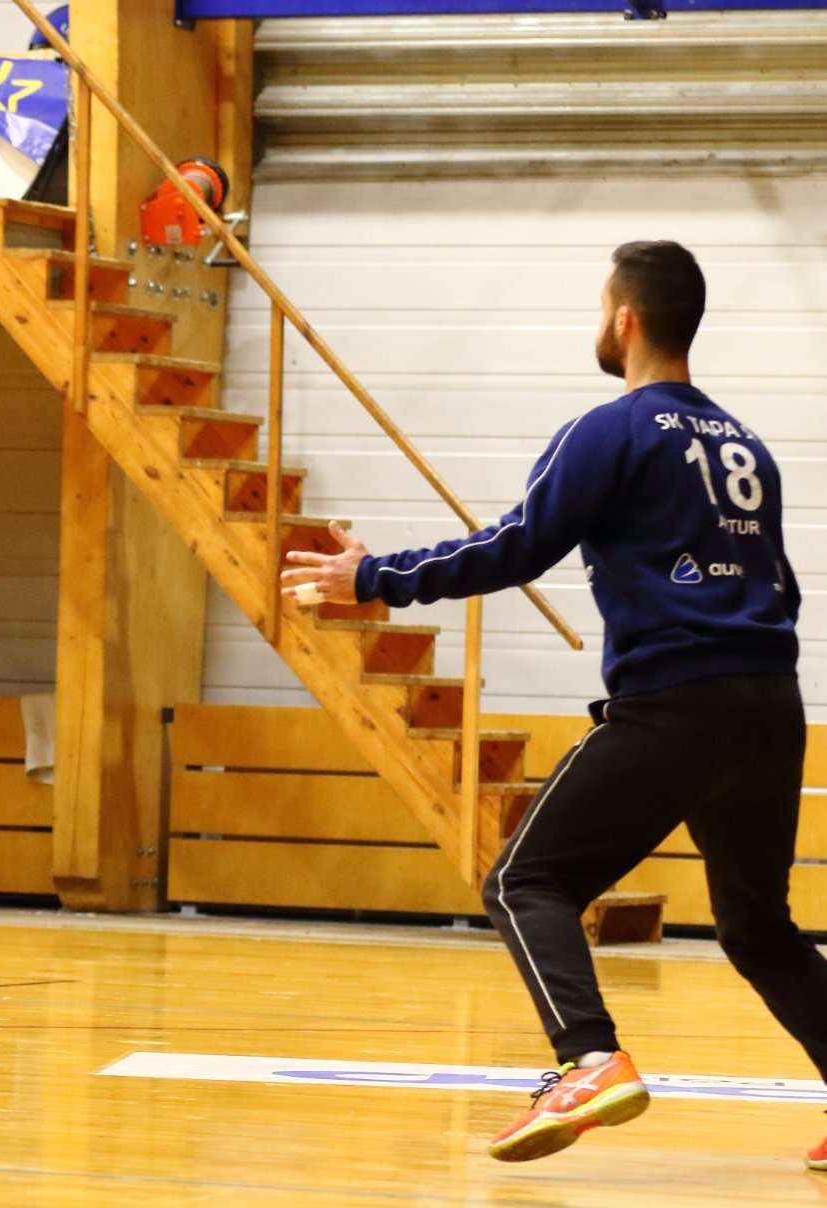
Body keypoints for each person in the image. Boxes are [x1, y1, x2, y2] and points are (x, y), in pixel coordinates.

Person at [282, 241, 825, 1168]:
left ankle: (589, 1060)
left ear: (626, 318)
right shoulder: (748, 445)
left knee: (524, 881)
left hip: (677, 701)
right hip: (772, 704)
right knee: (759, 928)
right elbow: (783, 587)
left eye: (600, 306)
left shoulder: (609, 430)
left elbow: (518, 545)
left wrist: (374, 576)